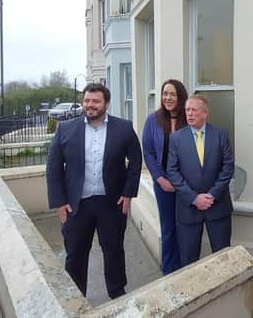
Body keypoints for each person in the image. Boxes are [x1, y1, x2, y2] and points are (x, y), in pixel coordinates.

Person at [46, 83, 142, 299]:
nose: (90, 105)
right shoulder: (65, 129)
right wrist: (60, 202)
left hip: (112, 204)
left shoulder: (124, 128)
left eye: (96, 101)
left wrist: (128, 193)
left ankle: (117, 293)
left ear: (106, 104)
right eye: (87, 100)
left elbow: (135, 161)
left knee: (114, 251)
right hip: (76, 205)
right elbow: (53, 167)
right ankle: (76, 297)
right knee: (75, 254)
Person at [166, 93, 234, 266]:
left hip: (217, 206)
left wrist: (212, 195)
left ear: (205, 113)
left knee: (223, 257)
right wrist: (194, 198)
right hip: (188, 208)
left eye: (194, 110)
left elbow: (228, 167)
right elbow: (172, 171)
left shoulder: (220, 134)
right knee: (189, 260)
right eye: (187, 110)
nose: (189, 114)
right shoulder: (176, 138)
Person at [142, 79, 188, 275]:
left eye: (172, 94)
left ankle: (186, 269)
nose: (168, 98)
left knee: (185, 229)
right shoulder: (153, 120)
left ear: (180, 97)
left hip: (187, 184)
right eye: (165, 94)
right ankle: (169, 272)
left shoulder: (189, 117)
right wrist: (160, 179)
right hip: (164, 184)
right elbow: (149, 152)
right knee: (168, 229)